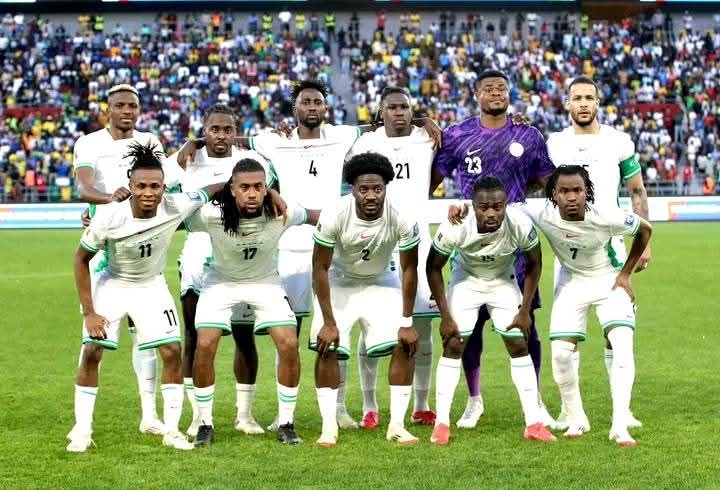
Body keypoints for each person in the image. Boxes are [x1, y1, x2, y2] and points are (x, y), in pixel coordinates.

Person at [67, 142, 219, 452]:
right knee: (92, 351)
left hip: (151, 286)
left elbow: (210, 189)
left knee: (172, 351)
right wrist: (89, 312)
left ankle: (172, 431)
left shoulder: (176, 205)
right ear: (130, 185)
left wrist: (266, 191)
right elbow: (80, 260)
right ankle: (82, 430)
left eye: (155, 186)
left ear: (164, 187)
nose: (149, 192)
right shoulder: (109, 216)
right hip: (113, 283)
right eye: (141, 186)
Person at [432, 70, 555, 428]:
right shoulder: (457, 135)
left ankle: (536, 403)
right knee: (468, 331)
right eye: (489, 88)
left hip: (513, 236)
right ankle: (474, 400)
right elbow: (431, 180)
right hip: (470, 239)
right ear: (476, 94)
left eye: (502, 88)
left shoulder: (528, 134)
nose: (496, 93)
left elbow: (547, 179)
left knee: (525, 324)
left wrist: (517, 198)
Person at [73, 84, 182, 436]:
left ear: (139, 109)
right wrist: (110, 201)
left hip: (141, 244)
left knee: (146, 337)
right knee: (94, 341)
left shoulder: (150, 142)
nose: (126, 111)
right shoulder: (89, 143)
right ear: (108, 110)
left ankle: (150, 415)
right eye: (119, 105)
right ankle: (82, 426)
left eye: (132, 106)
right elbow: (83, 188)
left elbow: (165, 182)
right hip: (106, 246)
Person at [188, 159, 319, 447]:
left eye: (259, 187)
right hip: (220, 283)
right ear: (232, 189)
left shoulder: (282, 212)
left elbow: (316, 217)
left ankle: (286, 423)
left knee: (288, 343)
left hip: (265, 282)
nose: (252, 193)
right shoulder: (210, 215)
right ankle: (204, 424)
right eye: (244, 187)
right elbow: (172, 219)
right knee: (205, 344)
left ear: (266, 189)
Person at [546, 76, 651, 430]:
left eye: (589, 97)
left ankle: (623, 410)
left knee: (615, 333)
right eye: (577, 98)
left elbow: (636, 190)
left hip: (611, 248)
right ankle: (570, 411)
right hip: (570, 254)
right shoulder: (555, 144)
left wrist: (647, 242)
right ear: (567, 103)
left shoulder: (618, 141)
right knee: (566, 340)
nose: (583, 103)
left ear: (597, 102)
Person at [521, 165, 652, 446]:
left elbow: (645, 230)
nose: (571, 197)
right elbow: (506, 206)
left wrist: (625, 274)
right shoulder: (542, 214)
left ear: (586, 192)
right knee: (560, 356)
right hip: (573, 283)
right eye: (564, 191)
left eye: (577, 190)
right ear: (554, 194)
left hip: (609, 281)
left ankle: (620, 424)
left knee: (622, 343)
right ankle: (576, 416)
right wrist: (460, 210)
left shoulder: (605, 214)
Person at [166, 103, 273, 438]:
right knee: (194, 336)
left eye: (228, 129)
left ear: (236, 131)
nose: (221, 136)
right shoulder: (186, 159)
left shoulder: (250, 160)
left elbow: (270, 194)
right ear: (204, 130)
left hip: (240, 254)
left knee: (244, 334)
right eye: (215, 129)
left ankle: (245, 415)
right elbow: (161, 195)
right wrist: (188, 146)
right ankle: (199, 416)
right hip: (198, 252)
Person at [427, 177, 556, 445]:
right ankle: (441, 424)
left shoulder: (519, 223)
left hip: (502, 281)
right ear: (473, 206)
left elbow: (535, 264)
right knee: (453, 343)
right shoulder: (456, 224)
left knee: (518, 343)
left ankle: (533, 423)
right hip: (466, 281)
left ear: (505, 205)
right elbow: (433, 267)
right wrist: (445, 316)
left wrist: (525, 310)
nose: (491, 213)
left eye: (497, 207)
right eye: (483, 207)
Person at [311, 153, 421, 447]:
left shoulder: (402, 216)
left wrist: (407, 321)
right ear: (353, 190)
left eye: (377, 189)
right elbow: (319, 268)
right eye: (363, 189)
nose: (371, 196)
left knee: (404, 343)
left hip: (381, 281)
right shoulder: (335, 213)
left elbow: (410, 270)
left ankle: (397, 425)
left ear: (385, 188)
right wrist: (329, 322)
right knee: (326, 345)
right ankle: (328, 426)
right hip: (339, 282)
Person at [347, 87, 437, 429]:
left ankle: (422, 404)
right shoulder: (365, 143)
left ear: (412, 111)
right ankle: (369, 405)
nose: (399, 112)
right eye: (392, 107)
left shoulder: (427, 138)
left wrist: (425, 121)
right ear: (380, 112)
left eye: (405, 107)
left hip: (420, 243)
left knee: (422, 327)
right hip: (377, 244)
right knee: (370, 327)